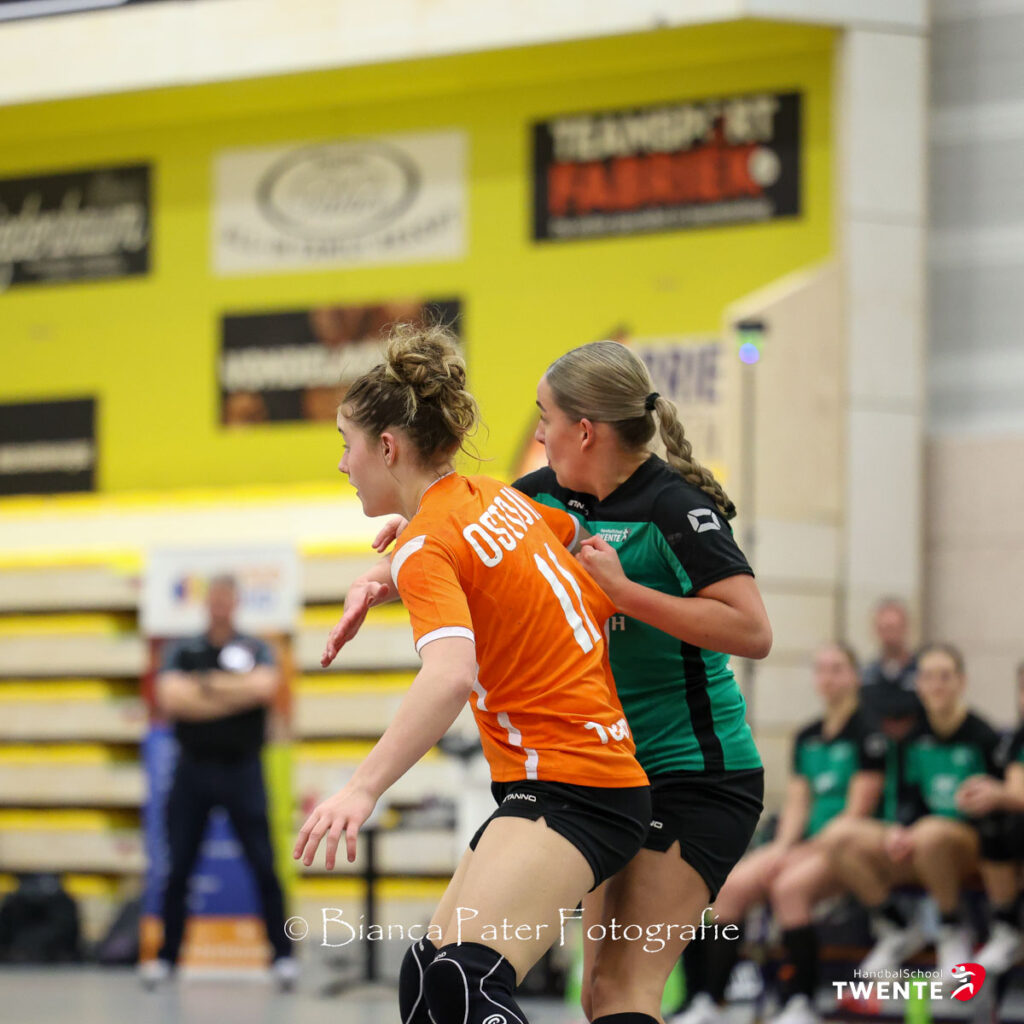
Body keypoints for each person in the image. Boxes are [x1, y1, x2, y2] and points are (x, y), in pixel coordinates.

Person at [297, 324, 651, 1024]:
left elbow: (450, 676)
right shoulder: (494, 496)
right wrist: (389, 571)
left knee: (465, 983)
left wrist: (361, 789)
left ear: (388, 448)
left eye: (346, 444)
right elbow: (564, 544)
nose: (342, 464)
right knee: (427, 981)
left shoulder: (430, 541)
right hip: (575, 777)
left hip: (575, 784)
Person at [513, 340, 771, 1024]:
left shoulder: (674, 508)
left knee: (624, 990)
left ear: (584, 431)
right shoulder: (545, 498)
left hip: (696, 776)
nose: (538, 431)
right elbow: (466, 534)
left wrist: (625, 593)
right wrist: (393, 563)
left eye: (544, 415)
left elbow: (752, 631)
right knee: (599, 992)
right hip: (613, 778)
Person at [676, 644, 887, 1024]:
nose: (828, 677)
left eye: (837, 669)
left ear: (855, 676)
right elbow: (797, 805)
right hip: (806, 845)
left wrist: (801, 854)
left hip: (847, 849)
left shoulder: (868, 732)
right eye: (822, 669)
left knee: (790, 888)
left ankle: (801, 1001)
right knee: (731, 888)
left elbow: (856, 814)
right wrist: (781, 849)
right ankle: (710, 1000)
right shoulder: (808, 735)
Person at [142, 575, 296, 989]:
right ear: (207, 602)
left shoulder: (256, 647)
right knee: (178, 867)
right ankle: (167, 958)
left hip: (243, 769)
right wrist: (234, 695)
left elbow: (265, 688)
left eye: (227, 599)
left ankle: (282, 957)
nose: (221, 606)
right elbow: (171, 699)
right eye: (215, 599)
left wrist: (204, 687)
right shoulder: (182, 649)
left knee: (264, 865)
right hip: (192, 771)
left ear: (236, 602)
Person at [820, 643, 1002, 984]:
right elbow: (906, 798)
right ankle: (896, 925)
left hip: (967, 846)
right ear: (917, 684)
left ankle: (951, 929)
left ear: (961, 682)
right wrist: (898, 829)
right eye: (928, 677)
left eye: (945, 677)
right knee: (836, 836)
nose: (936, 685)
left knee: (931, 834)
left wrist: (985, 799)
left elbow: (1001, 808)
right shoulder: (912, 738)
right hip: (919, 842)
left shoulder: (983, 736)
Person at [956, 660, 1024, 974]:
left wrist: (1000, 794)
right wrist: (983, 792)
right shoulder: (1016, 739)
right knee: (996, 822)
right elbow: (1016, 791)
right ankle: (1007, 925)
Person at [859, 598, 921, 735]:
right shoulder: (865, 674)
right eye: (883, 628)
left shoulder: (923, 672)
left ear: (905, 628)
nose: (889, 635)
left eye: (893, 628)